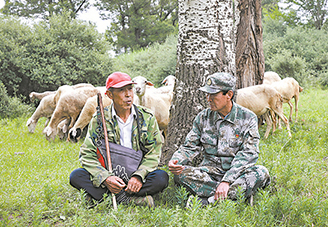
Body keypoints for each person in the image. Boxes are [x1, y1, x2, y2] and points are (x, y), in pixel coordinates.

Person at [168, 72, 270, 206]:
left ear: (229, 95)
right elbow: (190, 146)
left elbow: (249, 153)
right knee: (181, 175)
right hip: (209, 172)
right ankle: (235, 196)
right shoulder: (203, 117)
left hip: (237, 172)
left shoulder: (248, 118)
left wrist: (227, 181)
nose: (208, 98)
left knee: (261, 173)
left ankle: (206, 201)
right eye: (207, 94)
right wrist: (177, 160)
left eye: (213, 95)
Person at [70, 72, 169, 207]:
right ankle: (131, 200)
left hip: (135, 174)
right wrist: (105, 178)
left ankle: (103, 199)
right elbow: (87, 153)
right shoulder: (99, 119)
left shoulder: (147, 117)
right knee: (76, 176)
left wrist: (139, 176)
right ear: (110, 95)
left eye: (130, 89)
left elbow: (154, 151)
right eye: (122, 90)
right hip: (110, 174)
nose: (128, 94)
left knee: (161, 178)